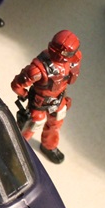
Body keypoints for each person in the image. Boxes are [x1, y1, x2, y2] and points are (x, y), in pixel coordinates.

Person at [11, 30, 80, 164]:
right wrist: (25, 95)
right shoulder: (38, 69)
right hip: (39, 103)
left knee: (56, 123)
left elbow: (67, 79)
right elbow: (16, 85)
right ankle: (17, 149)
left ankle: (49, 146)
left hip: (58, 99)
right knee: (31, 126)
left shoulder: (74, 60)